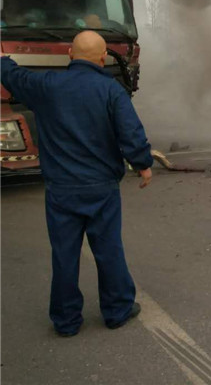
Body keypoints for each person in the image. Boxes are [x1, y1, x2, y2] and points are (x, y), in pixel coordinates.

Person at [1, 30, 153, 337]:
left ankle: (66, 320)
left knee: (65, 254)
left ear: (70, 55)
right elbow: (131, 132)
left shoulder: (46, 87)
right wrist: (143, 165)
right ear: (101, 59)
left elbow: (12, 75)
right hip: (101, 189)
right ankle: (117, 310)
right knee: (108, 250)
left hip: (61, 190)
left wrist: (3, 60)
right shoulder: (111, 91)